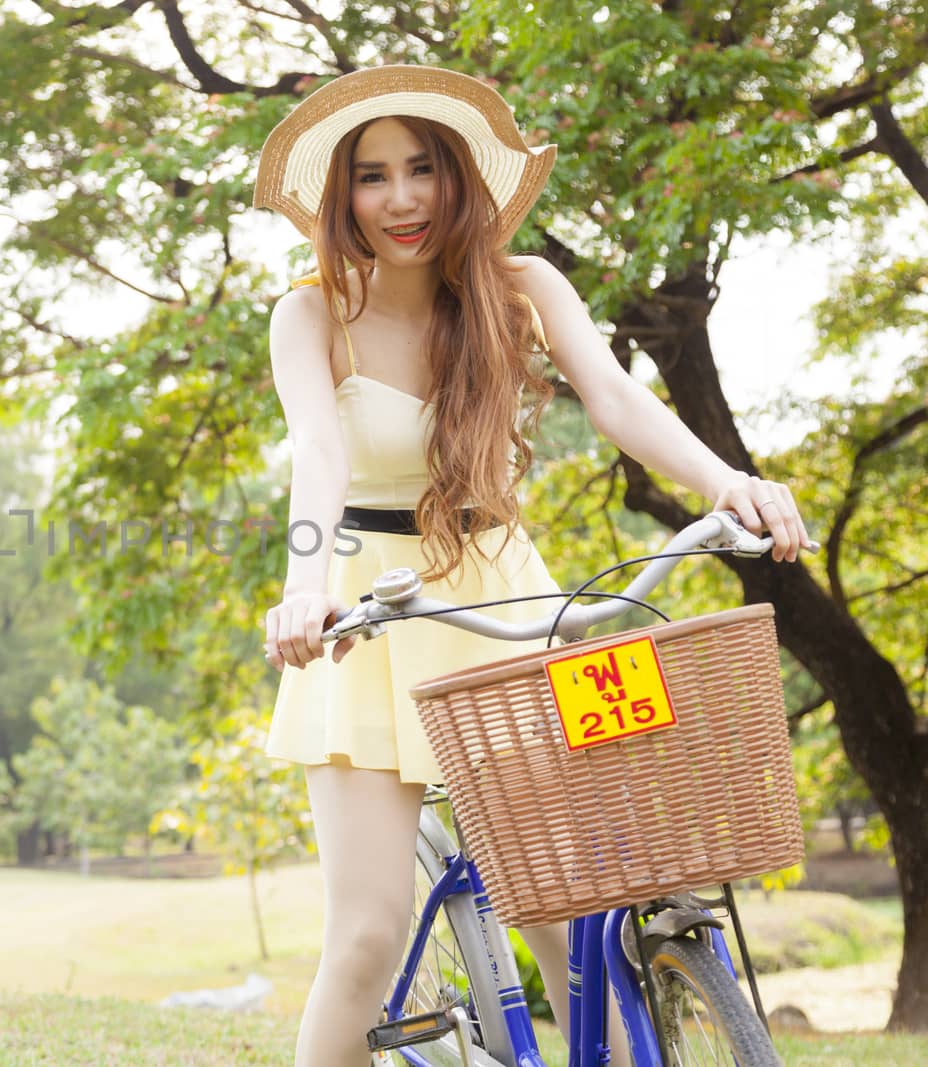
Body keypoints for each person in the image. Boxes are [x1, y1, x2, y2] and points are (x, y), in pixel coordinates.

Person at [250, 64, 814, 1067]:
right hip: (369, 602)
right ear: (341, 197)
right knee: (368, 935)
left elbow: (617, 401)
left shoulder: (523, 286)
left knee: (569, 899)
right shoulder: (310, 314)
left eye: (420, 168)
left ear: (458, 175)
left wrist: (732, 482)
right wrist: (303, 590)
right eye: (372, 177)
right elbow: (320, 460)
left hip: (507, 589)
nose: (402, 199)